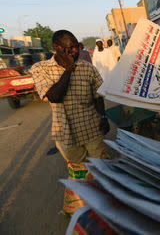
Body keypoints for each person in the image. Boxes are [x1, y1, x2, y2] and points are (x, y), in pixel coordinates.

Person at [30, 30, 110, 216]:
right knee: (79, 171)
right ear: (56, 48)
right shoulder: (40, 69)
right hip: (66, 133)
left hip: (91, 128)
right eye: (70, 48)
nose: (75, 51)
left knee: (101, 168)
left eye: (76, 46)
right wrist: (68, 70)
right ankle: (84, 209)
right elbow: (54, 97)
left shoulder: (87, 68)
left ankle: (106, 206)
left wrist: (104, 117)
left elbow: (98, 96)